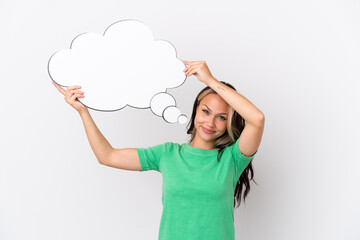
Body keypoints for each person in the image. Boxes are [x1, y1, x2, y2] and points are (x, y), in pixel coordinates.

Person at [52, 60, 265, 240]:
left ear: (229, 123)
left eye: (222, 117)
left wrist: (210, 81)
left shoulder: (232, 160)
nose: (210, 122)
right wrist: (83, 112)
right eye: (206, 111)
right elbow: (107, 156)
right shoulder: (167, 154)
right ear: (196, 108)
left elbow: (257, 119)